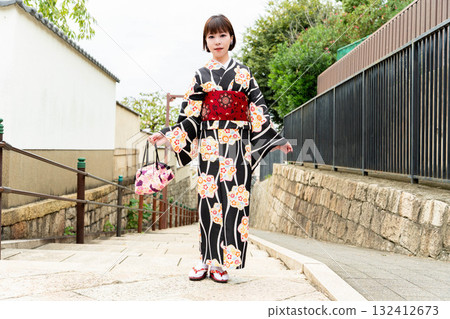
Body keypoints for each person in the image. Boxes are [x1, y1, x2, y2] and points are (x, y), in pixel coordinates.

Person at [149, 14, 293, 283]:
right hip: (210, 146)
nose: (217, 41)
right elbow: (190, 114)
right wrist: (168, 134)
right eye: (211, 36)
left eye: (222, 35)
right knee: (209, 201)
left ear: (231, 38)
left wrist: (276, 140)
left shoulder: (243, 73)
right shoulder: (201, 75)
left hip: (238, 146)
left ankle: (222, 264)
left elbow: (258, 110)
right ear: (206, 41)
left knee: (234, 202)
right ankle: (204, 259)